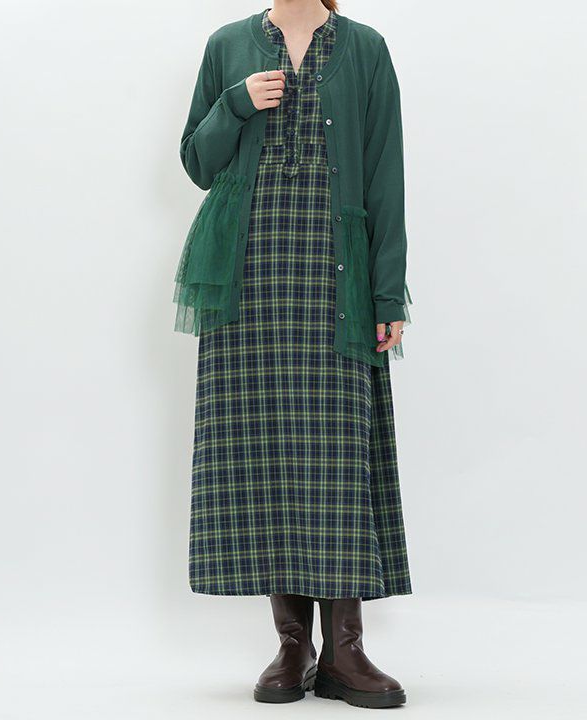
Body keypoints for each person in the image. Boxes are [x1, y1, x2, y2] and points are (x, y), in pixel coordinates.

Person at [174, 0, 413, 709]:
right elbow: (197, 163)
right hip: (246, 277)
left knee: (336, 454)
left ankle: (344, 651)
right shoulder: (228, 44)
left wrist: (388, 293)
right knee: (265, 453)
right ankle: (292, 646)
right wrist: (235, 103)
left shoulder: (366, 49)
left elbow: (386, 174)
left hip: (335, 280)